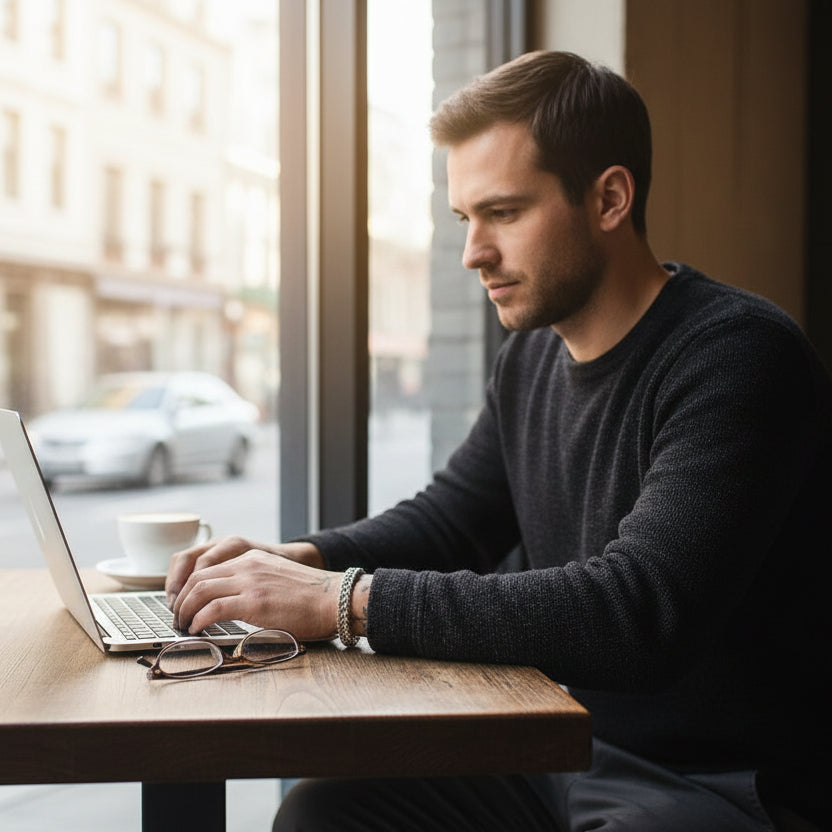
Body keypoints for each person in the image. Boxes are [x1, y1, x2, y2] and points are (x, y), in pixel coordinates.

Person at [166, 51, 830, 831]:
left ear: (610, 198)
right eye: (464, 219)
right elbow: (456, 519)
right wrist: (295, 561)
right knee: (324, 813)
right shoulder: (534, 355)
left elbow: (640, 612)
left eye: (504, 214)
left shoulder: (739, 355)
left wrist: (340, 603)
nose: (472, 252)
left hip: (718, 784)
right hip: (564, 745)